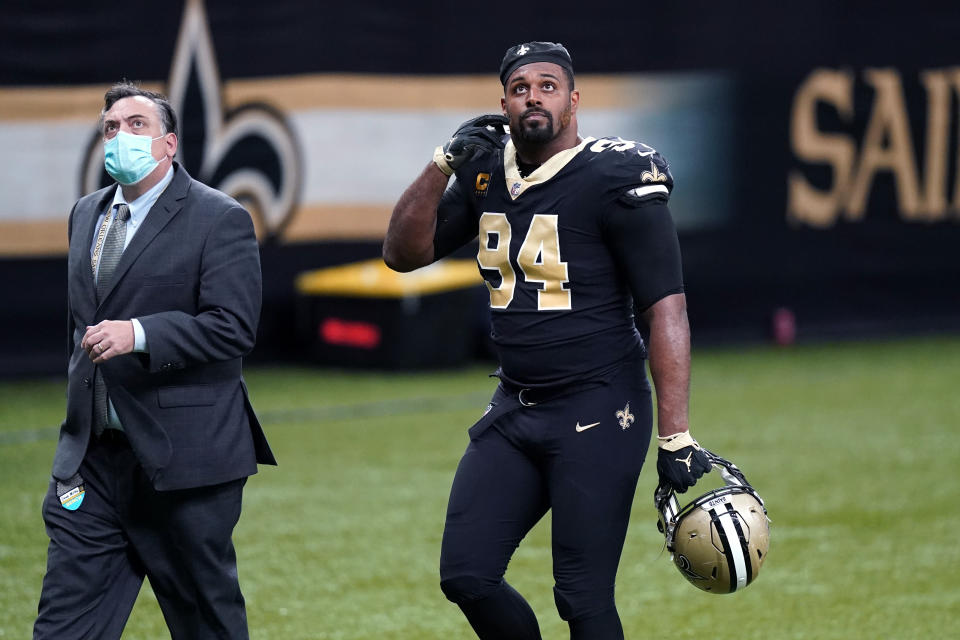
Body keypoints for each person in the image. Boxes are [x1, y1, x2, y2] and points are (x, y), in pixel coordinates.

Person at [383, 42, 712, 640]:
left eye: (547, 85)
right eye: (519, 87)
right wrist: (441, 165)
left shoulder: (615, 176)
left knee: (582, 598)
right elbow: (403, 254)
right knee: (466, 574)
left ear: (574, 100)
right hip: (516, 406)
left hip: (599, 406)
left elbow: (668, 309)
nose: (533, 97)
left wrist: (677, 432)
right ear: (503, 102)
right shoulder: (485, 172)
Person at [34, 81, 276, 639]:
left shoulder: (220, 217)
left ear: (169, 144)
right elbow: (82, 326)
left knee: (204, 623)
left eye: (136, 125)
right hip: (92, 462)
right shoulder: (85, 214)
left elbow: (233, 326)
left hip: (185, 461)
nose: (121, 136)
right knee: (63, 628)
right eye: (111, 128)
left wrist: (139, 334)